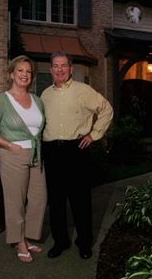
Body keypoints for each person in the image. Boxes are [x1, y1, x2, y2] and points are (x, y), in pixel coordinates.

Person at [41, 51, 113, 259]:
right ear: (51, 69)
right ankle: (60, 241)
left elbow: (106, 109)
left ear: (70, 69)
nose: (60, 69)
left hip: (76, 150)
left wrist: (94, 134)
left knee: (80, 200)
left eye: (64, 65)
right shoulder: (45, 95)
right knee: (55, 201)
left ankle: (84, 243)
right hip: (52, 151)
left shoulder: (84, 90)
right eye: (56, 66)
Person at [0, 55, 47, 263]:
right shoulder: (1, 101)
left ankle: (27, 237)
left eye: (28, 72)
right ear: (11, 74)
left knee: (39, 198)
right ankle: (18, 241)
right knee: (15, 200)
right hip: (12, 154)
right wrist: (8, 145)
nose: (24, 75)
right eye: (20, 71)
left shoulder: (37, 100)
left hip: (36, 154)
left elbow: (40, 128)